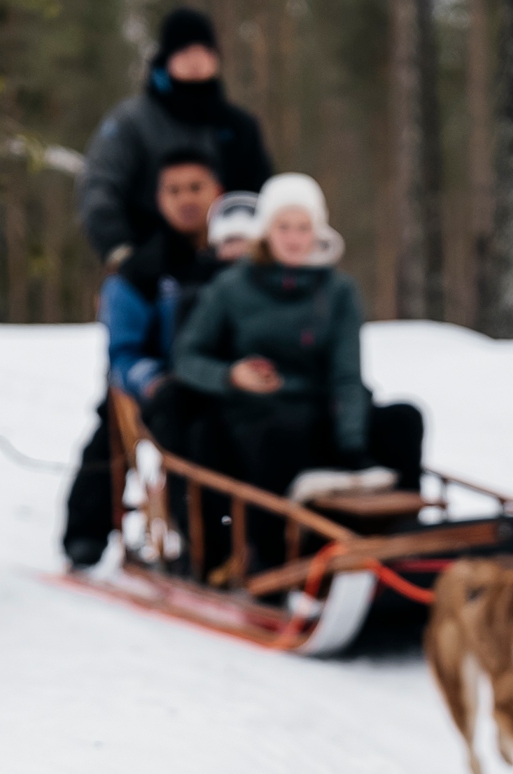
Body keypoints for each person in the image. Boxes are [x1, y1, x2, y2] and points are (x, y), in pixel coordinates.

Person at [172, 172, 425, 574]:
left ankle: (403, 542)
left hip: (321, 413)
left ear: (318, 231)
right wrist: (231, 376)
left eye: (303, 228)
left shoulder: (339, 291)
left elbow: (346, 373)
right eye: (283, 227)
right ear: (266, 232)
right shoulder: (231, 287)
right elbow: (186, 357)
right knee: (280, 433)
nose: (293, 237)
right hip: (256, 416)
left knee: (405, 420)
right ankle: (273, 557)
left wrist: (352, 445)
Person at [61, 147, 229, 568]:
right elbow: (123, 351)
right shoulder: (142, 269)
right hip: (161, 384)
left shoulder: (234, 257)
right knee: (116, 428)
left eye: (196, 188)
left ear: (216, 192)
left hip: (225, 380)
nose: (186, 199)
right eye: (174, 190)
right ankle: (88, 533)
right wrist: (153, 380)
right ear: (159, 199)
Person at [77, 7, 271, 270]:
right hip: (149, 265)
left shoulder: (238, 126)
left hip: (230, 264)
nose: (195, 61)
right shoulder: (131, 123)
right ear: (166, 58)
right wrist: (120, 252)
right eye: (185, 52)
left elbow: (263, 195)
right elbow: (100, 187)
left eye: (204, 51)